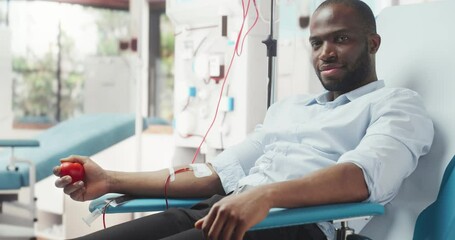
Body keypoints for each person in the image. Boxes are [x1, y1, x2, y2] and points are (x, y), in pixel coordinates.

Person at [54, 0, 434, 239]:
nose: (326, 52)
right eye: (317, 43)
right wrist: (109, 180)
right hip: (226, 207)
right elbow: (217, 174)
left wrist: (264, 196)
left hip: (295, 226)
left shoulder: (397, 105)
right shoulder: (290, 109)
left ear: (373, 43)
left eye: (341, 39)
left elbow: (360, 177)